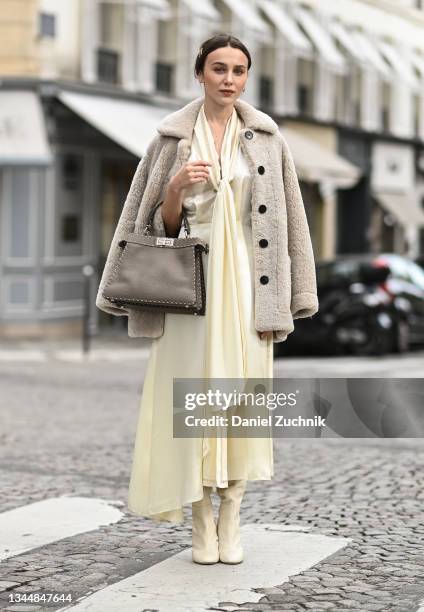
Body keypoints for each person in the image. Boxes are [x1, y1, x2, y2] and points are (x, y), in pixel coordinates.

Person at [96, 33, 318, 565]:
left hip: (250, 285)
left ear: (246, 78)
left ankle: (232, 518)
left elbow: (293, 223)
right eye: (218, 68)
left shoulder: (267, 138)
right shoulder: (170, 140)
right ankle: (200, 523)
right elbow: (150, 225)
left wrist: (292, 296)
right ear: (200, 72)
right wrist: (174, 189)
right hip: (188, 288)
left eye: (238, 70)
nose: (228, 79)